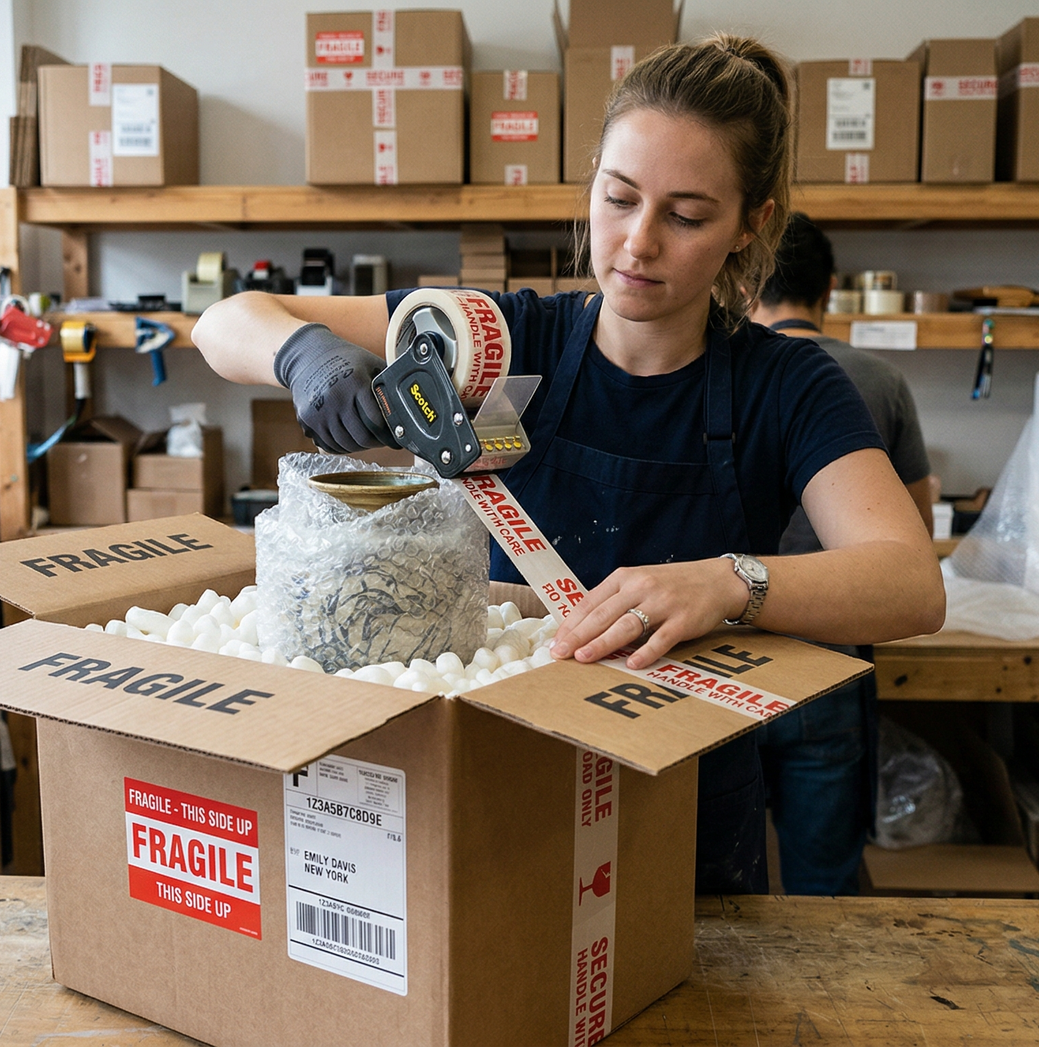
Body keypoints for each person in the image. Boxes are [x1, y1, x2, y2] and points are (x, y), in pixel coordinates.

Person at [193, 34, 944, 893]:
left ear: (752, 223)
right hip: (501, 774)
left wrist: (729, 582)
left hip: (682, 798)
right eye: (619, 197)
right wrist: (304, 354)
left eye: (688, 215)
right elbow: (225, 321)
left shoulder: (789, 386)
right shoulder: (500, 338)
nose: (638, 242)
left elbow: (911, 584)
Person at [746, 212, 938, 895]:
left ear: (748, 279)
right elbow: (913, 530)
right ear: (829, 288)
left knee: (707, 896)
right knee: (823, 896)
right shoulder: (879, 380)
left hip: (722, 669)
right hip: (828, 666)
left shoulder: (725, 375)